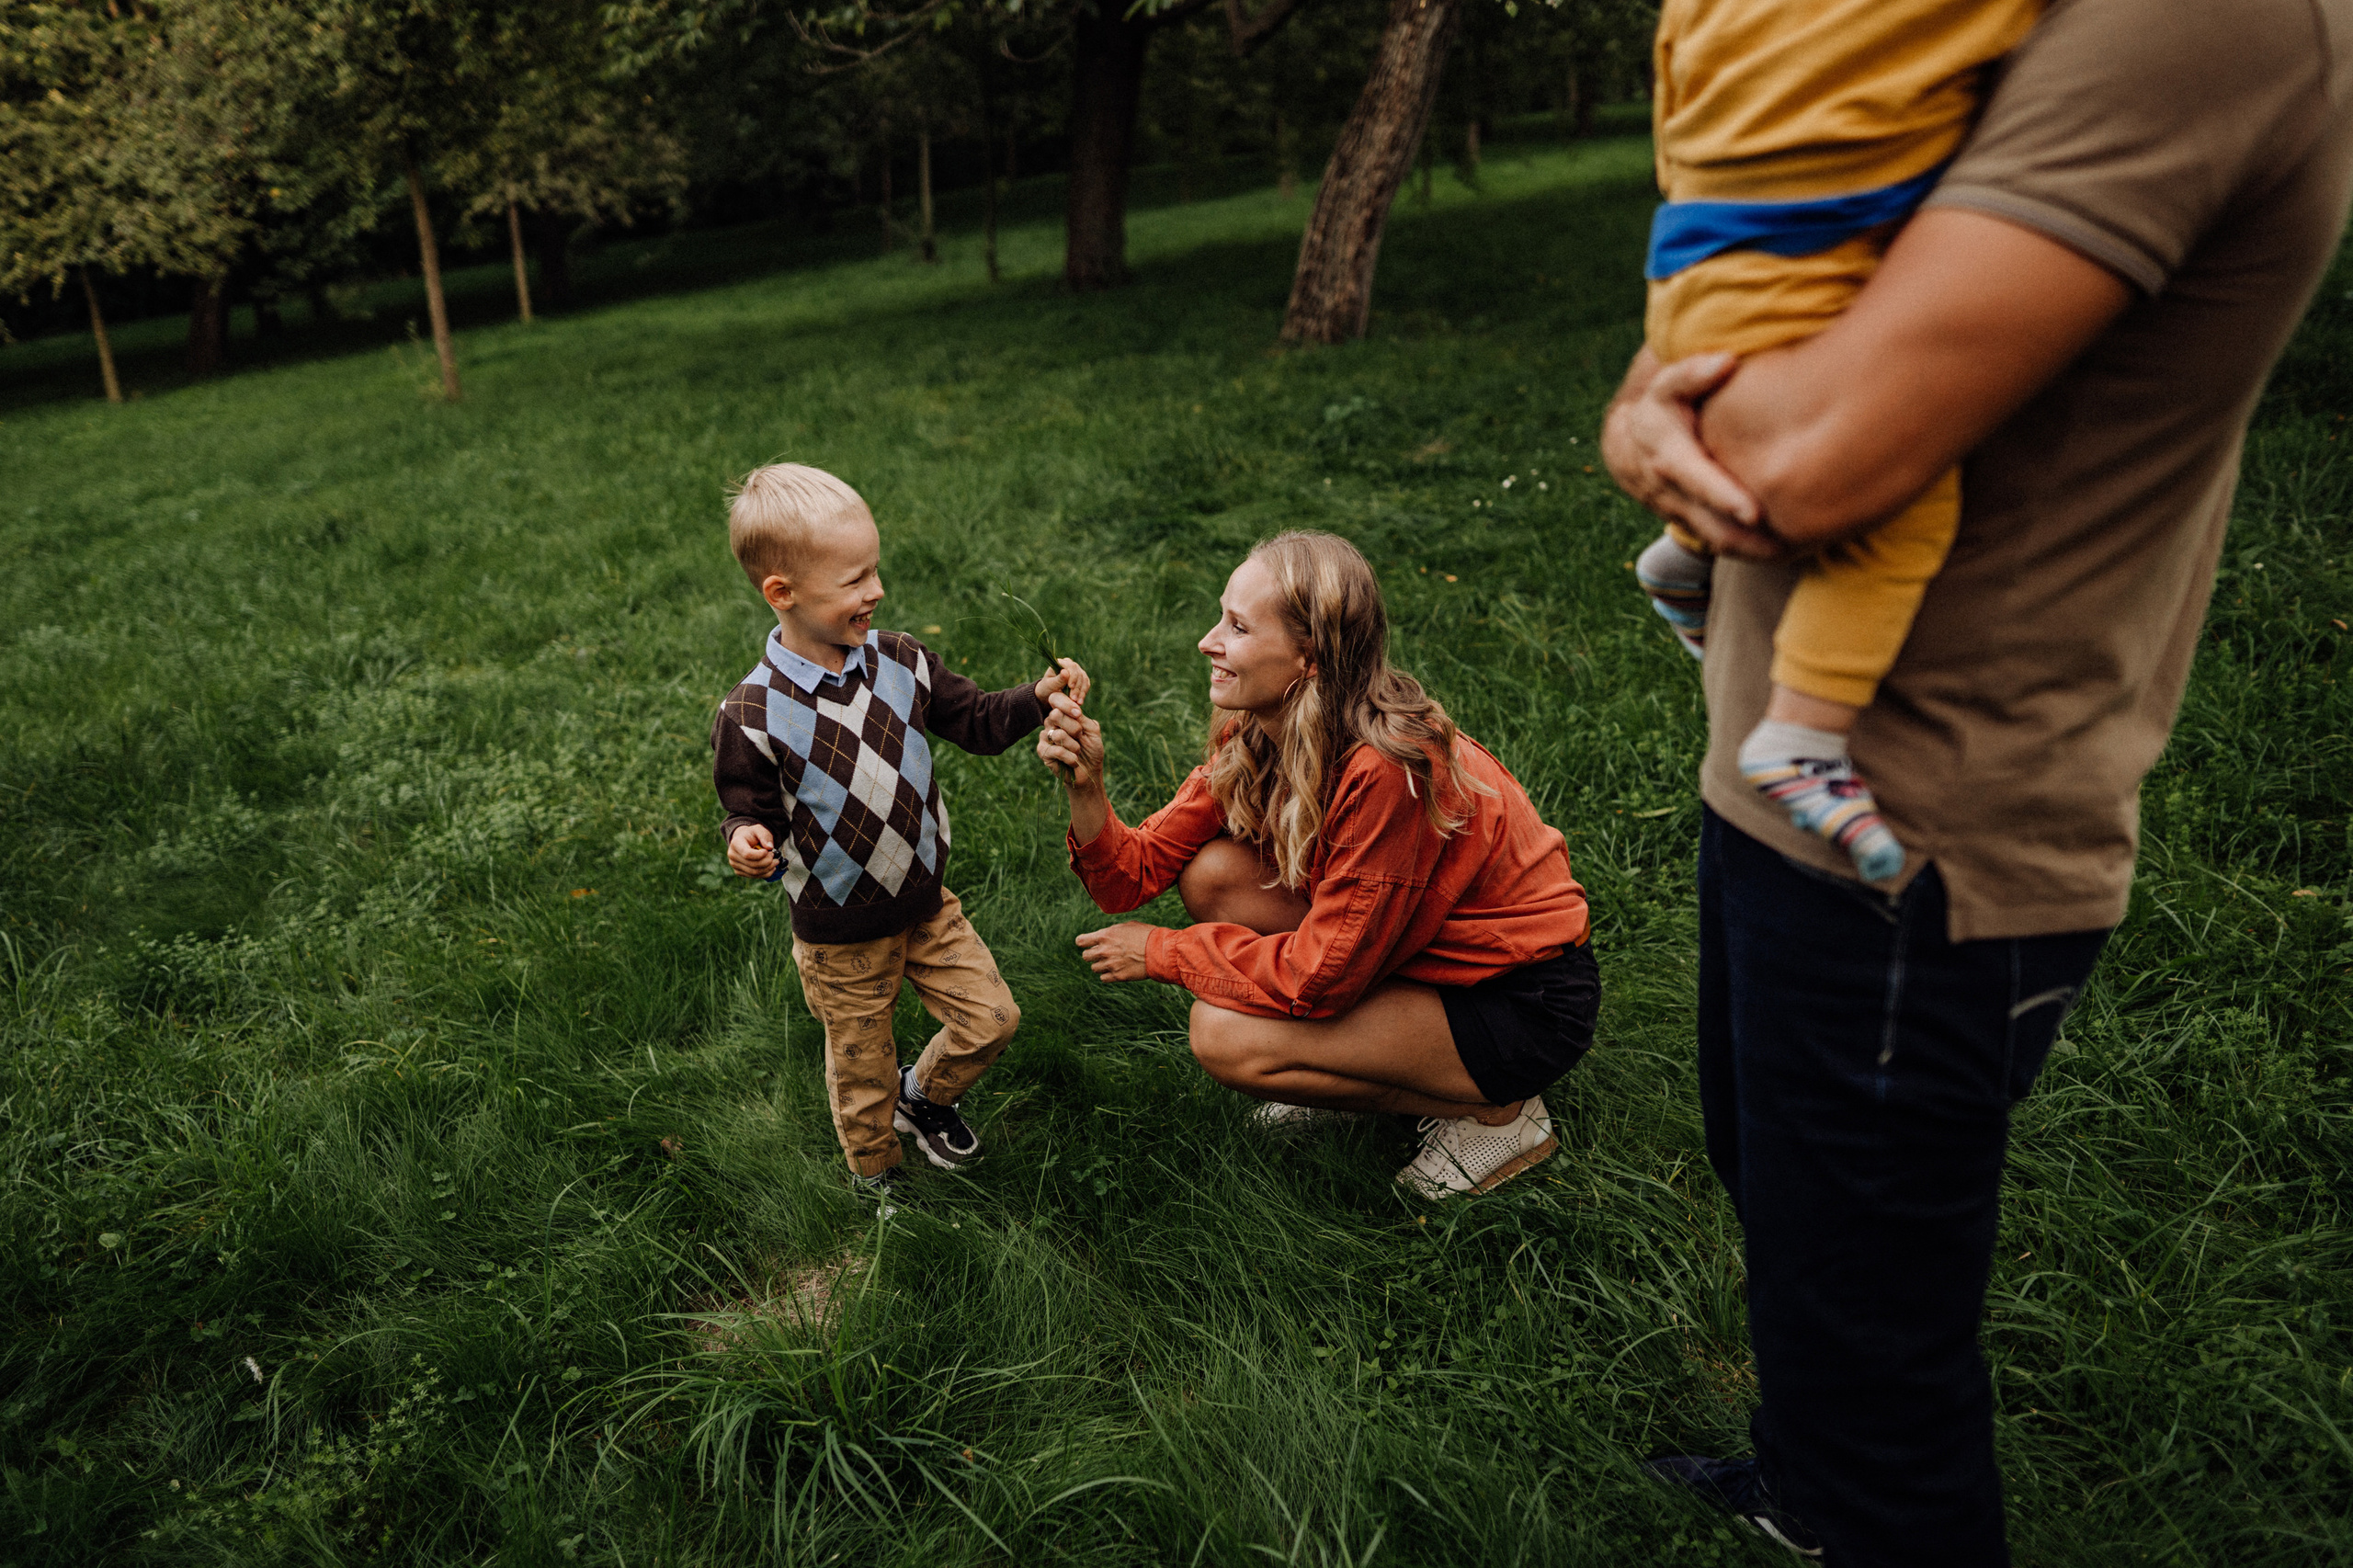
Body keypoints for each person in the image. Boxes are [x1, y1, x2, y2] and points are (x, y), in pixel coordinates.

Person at [1602, 2, 2353, 1563]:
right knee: (1792, 1225)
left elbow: (1792, 453)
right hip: (1776, 779)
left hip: (1921, 832)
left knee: (1883, 1383)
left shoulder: (2196, 19)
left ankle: (1851, 1500)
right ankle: (1801, 1482)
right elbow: (1753, 265)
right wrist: (1642, 408)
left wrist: (1663, 411)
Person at [1035, 530, 1597, 1199]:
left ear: (1309, 655)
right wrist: (1085, 787)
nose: (1207, 643)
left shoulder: (1391, 767)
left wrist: (1165, 952)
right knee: (1213, 875)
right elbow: (1128, 877)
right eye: (1222, 616)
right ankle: (1362, 1066)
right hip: (1421, 954)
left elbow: (1321, 978)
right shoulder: (1256, 728)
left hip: (1516, 998)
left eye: (1238, 627)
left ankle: (1495, 1113)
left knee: (1224, 1036)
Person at [1634, 0, 2039, 885]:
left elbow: (1672, 107)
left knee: (1718, 413)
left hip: (1691, 265)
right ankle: (1805, 735)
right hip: (1800, 263)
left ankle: (1686, 552)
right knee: (1904, 513)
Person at [711, 463, 1087, 1206]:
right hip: (839, 935)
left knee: (993, 1019)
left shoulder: (902, 662)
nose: (875, 591)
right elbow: (745, 807)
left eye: (874, 571)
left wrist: (1034, 698)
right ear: (782, 594)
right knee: (861, 1068)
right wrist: (747, 838)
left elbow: (975, 721)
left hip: (925, 902)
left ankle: (925, 1096)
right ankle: (878, 1174)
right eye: (854, 581)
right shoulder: (752, 713)